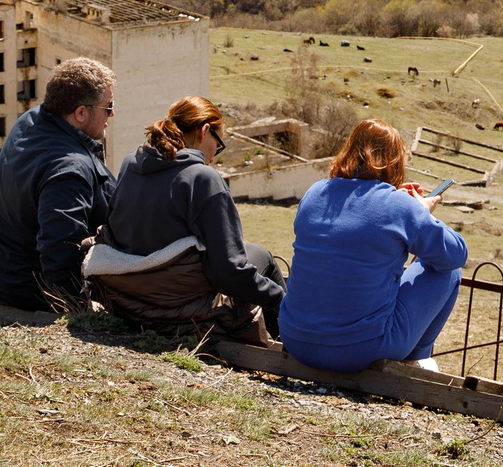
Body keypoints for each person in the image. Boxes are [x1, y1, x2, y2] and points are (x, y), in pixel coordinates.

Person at [86, 96, 285, 340]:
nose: (214, 156)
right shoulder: (203, 179)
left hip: (127, 299)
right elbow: (229, 272)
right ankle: (289, 341)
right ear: (204, 131)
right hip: (177, 309)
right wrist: (280, 299)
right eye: (218, 144)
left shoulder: (131, 163)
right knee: (263, 258)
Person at [277, 121, 469, 373]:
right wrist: (421, 212)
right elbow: (456, 254)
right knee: (448, 270)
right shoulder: (399, 206)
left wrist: (401, 204)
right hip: (360, 350)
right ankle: (415, 359)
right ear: (395, 161)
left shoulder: (315, 193)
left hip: (296, 339)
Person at [0, 56, 116, 312]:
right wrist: (77, 307)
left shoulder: (31, 120)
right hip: (32, 293)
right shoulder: (68, 168)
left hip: (3, 275)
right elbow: (61, 249)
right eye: (108, 107)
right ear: (81, 113)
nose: (112, 113)